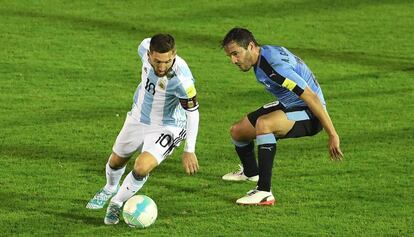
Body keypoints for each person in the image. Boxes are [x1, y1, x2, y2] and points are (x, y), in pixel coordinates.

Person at [220, 27, 343, 206]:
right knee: (238, 131)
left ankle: (264, 192)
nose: (233, 60)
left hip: (310, 113)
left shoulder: (274, 67)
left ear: (251, 46)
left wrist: (332, 134)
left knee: (264, 124)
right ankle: (250, 172)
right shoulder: (265, 54)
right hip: (290, 104)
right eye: (230, 55)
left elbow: (311, 97)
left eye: (236, 54)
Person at [86, 33, 200, 224]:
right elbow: (146, 41)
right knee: (116, 162)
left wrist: (190, 150)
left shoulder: (183, 81)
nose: (162, 67)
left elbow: (193, 113)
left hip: (166, 126)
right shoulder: (143, 47)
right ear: (149, 55)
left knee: (141, 167)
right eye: (157, 61)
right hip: (137, 118)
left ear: (174, 54)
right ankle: (109, 188)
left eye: (167, 61)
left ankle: (116, 202)